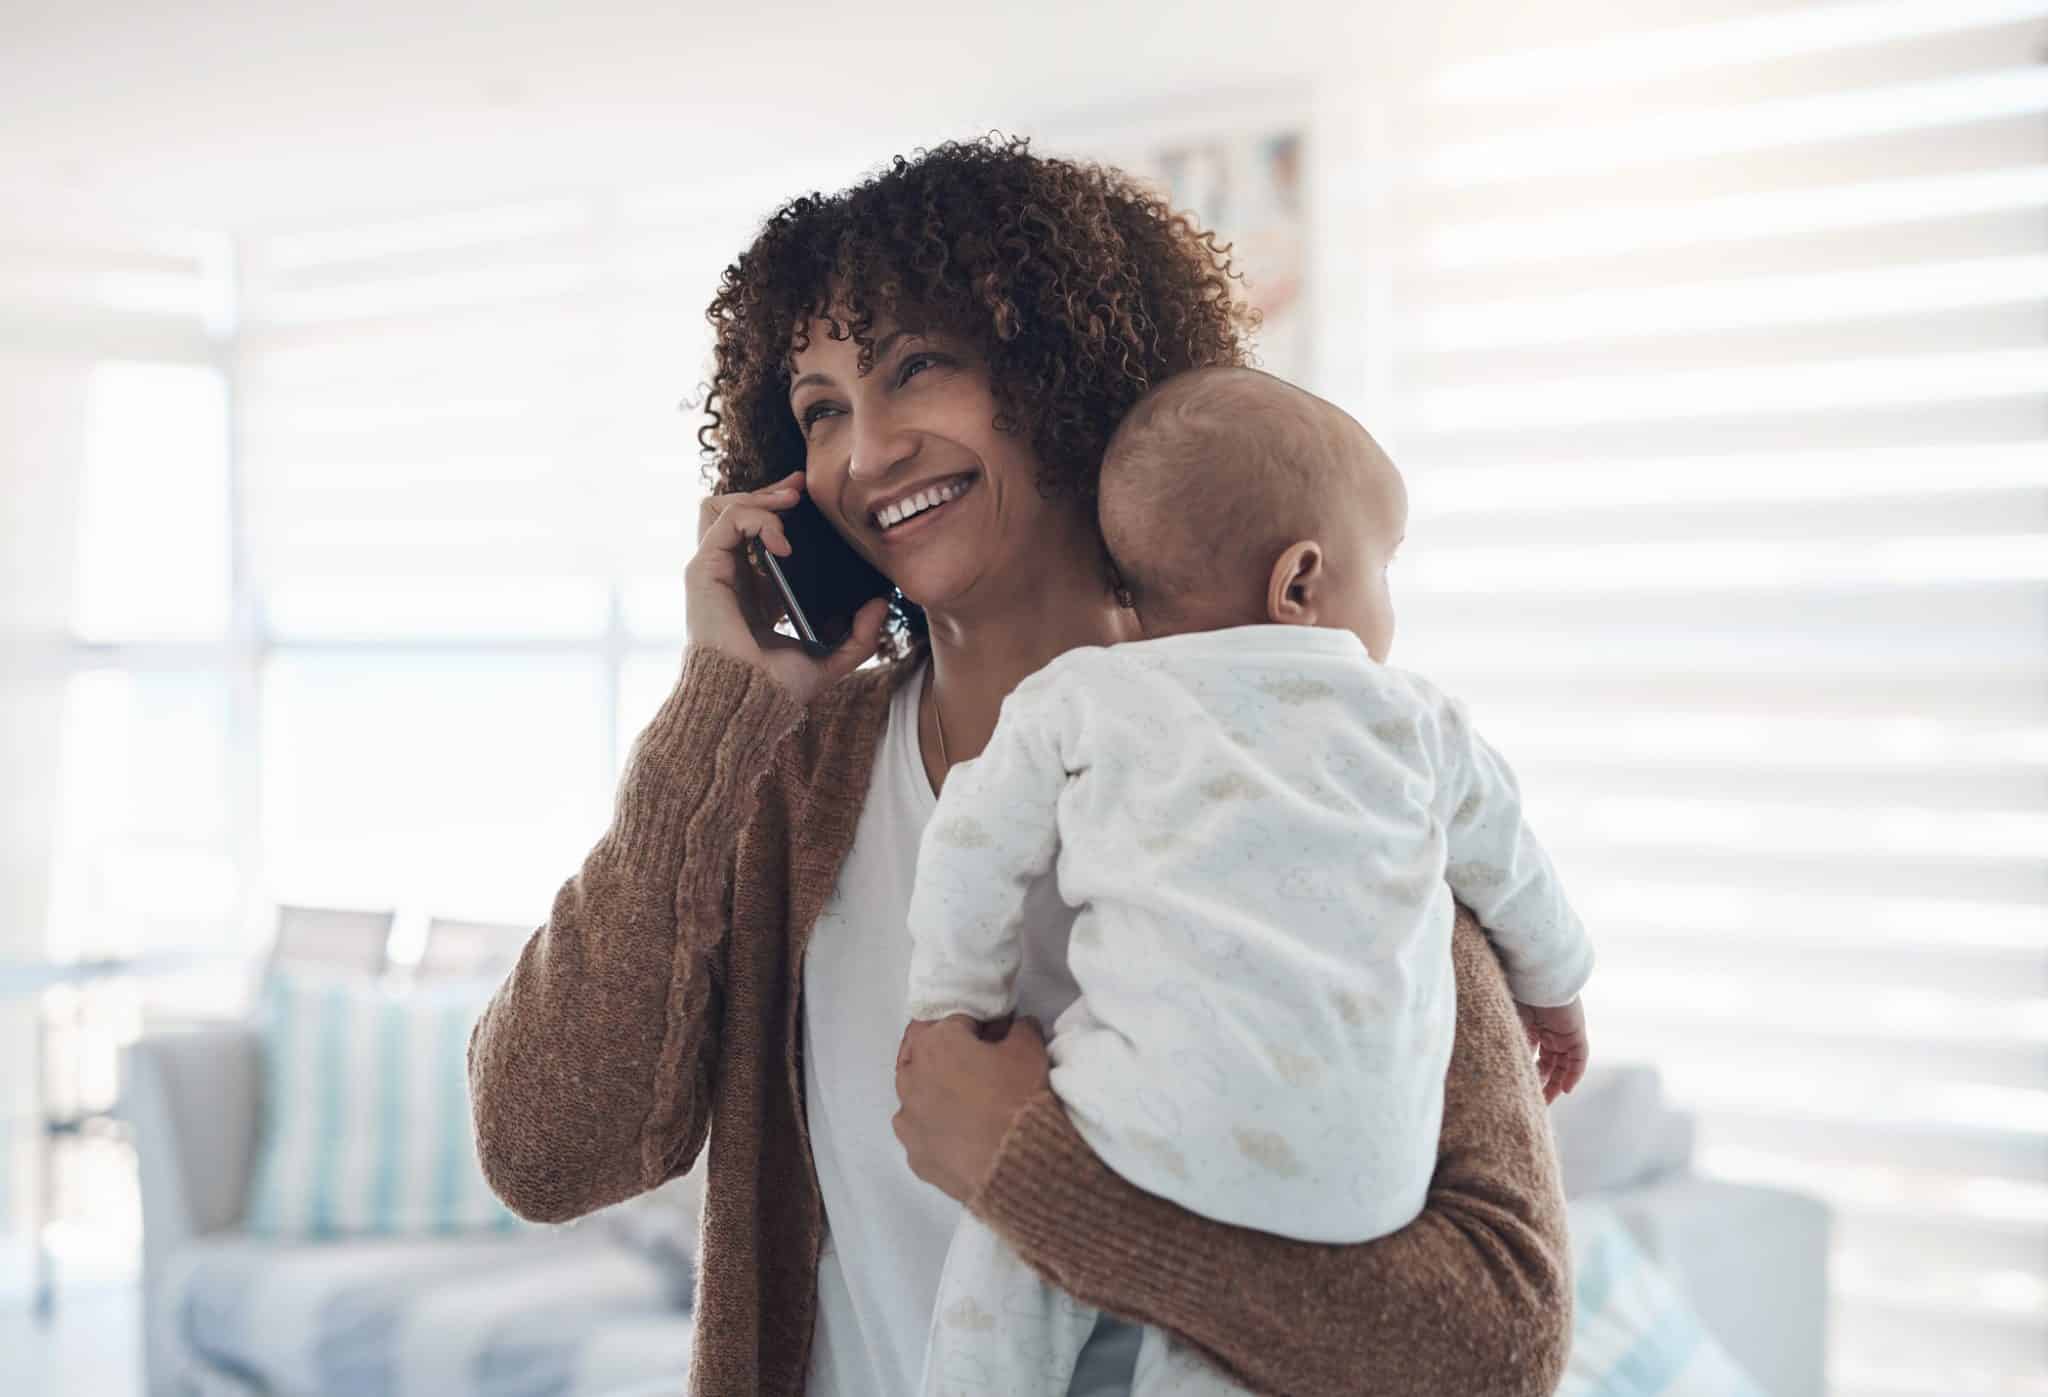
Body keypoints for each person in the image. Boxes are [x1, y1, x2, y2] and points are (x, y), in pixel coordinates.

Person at [466, 135, 1573, 1397]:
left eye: (915, 368)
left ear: (1067, 372)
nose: (865, 451)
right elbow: (541, 1148)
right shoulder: (791, 774)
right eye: (822, 406)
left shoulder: (1315, 740)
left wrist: (1036, 1179)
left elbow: (1494, 1344)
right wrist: (721, 702)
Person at [905, 365, 1594, 1397]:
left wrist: (957, 1001)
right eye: (1386, 567)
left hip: (1135, 1123)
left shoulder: (1083, 699)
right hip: (1357, 1180)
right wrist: (1556, 988)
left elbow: (971, 842)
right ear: (1300, 581)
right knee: (1229, 1349)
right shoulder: (1411, 721)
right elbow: (1513, 869)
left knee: (1008, 1268)